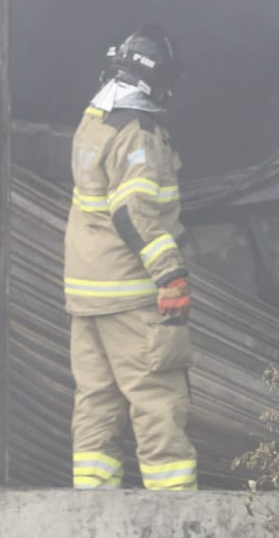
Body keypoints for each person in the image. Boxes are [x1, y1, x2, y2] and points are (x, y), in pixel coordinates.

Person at [64, 25, 196, 490]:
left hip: (87, 295)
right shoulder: (137, 132)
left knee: (97, 403)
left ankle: (92, 518)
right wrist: (170, 275)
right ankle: (178, 520)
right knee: (157, 399)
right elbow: (132, 211)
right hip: (131, 294)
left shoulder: (94, 119)